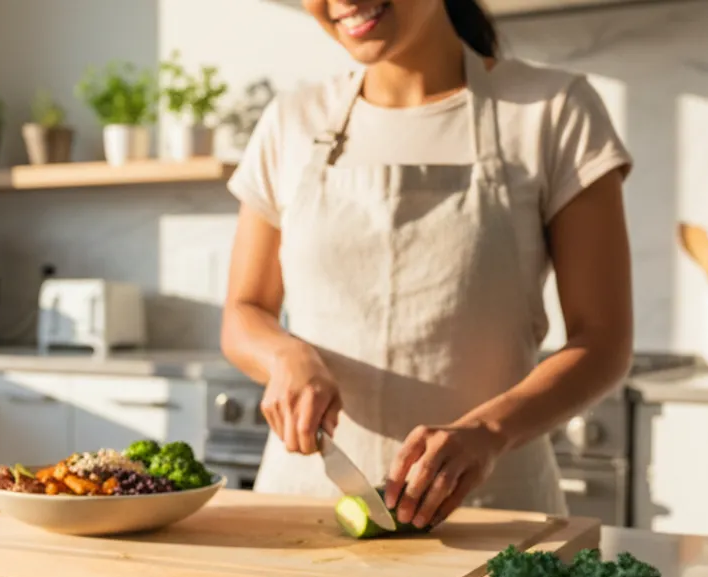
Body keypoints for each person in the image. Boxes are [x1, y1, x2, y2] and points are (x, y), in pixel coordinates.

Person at [221, 0, 634, 528]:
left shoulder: (552, 111)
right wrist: (283, 356)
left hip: (491, 518)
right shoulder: (290, 122)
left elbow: (603, 343)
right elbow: (243, 310)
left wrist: (488, 432)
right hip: (304, 507)